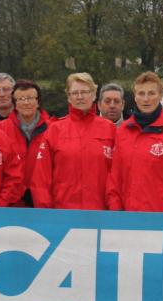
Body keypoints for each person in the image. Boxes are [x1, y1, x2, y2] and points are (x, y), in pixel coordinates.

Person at [107, 71, 163, 213]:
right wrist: (115, 207)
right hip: (128, 215)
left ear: (160, 96)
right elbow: (115, 175)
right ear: (135, 97)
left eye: (151, 93)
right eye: (141, 93)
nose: (146, 99)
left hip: (162, 215)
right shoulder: (124, 129)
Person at [29, 73, 115, 210]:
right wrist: (46, 212)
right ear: (69, 97)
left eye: (85, 92)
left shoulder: (110, 129)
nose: (80, 97)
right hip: (64, 213)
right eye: (75, 93)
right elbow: (41, 178)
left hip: (100, 213)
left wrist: (114, 210)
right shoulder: (54, 130)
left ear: (94, 95)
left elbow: (116, 176)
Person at [0, 79, 52, 206]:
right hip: (10, 201)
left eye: (30, 98)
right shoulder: (0, 130)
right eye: (21, 99)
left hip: (43, 201)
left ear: (38, 101)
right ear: (14, 103)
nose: (26, 102)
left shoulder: (53, 129)